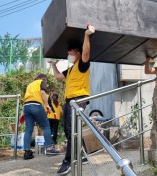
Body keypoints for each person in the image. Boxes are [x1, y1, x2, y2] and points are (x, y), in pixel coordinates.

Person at [48, 24, 95, 175]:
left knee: (70, 130)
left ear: (78, 53)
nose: (69, 53)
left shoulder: (82, 64)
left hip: (78, 99)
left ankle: (68, 161)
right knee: (72, 130)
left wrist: (87, 35)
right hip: (69, 101)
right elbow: (57, 76)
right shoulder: (71, 69)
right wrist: (54, 65)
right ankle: (81, 155)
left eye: (71, 51)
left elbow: (86, 52)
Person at [23, 73, 58, 160]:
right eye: (46, 81)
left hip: (26, 106)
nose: (46, 83)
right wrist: (47, 105)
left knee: (28, 129)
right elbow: (42, 93)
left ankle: (27, 152)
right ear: (44, 79)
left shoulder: (30, 85)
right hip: (36, 105)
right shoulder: (41, 81)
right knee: (46, 126)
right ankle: (49, 148)